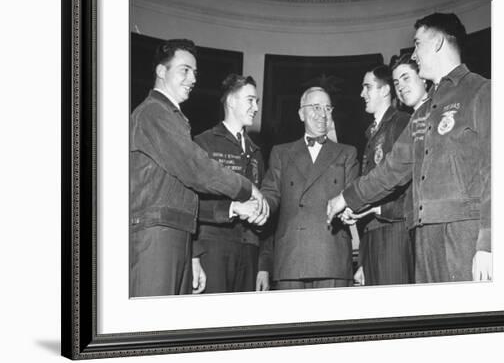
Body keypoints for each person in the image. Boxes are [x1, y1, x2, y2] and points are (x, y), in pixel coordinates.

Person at [328, 13, 491, 283]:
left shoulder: (481, 91)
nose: (414, 55)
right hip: (423, 237)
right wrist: (345, 198)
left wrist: (488, 242)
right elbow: (391, 170)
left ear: (438, 42)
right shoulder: (423, 111)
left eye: (417, 44)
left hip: (464, 236)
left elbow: (496, 171)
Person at [130, 39, 268, 297]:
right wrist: (247, 189)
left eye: (195, 72)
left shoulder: (173, 116)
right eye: (185, 70)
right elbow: (196, 169)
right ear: (161, 71)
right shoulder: (154, 112)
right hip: (158, 232)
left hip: (176, 231)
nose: (193, 78)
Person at [261, 87, 359, 290]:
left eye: (327, 108)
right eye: (315, 107)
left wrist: (350, 210)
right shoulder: (281, 153)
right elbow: (271, 195)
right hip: (291, 258)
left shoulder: (347, 153)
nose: (322, 114)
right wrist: (258, 206)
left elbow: (353, 196)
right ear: (301, 113)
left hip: (332, 257)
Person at [193, 74, 271, 293]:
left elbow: (266, 212)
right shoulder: (203, 143)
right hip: (214, 248)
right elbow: (190, 203)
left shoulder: (256, 153)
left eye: (257, 102)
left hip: (249, 251)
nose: (256, 107)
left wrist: (264, 265)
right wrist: (194, 255)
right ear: (231, 101)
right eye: (250, 100)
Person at [350, 64, 412, 286]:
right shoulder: (372, 132)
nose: (362, 94)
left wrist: (379, 208)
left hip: (394, 231)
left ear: (385, 90)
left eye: (367, 87)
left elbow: (407, 183)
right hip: (372, 233)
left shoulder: (402, 122)